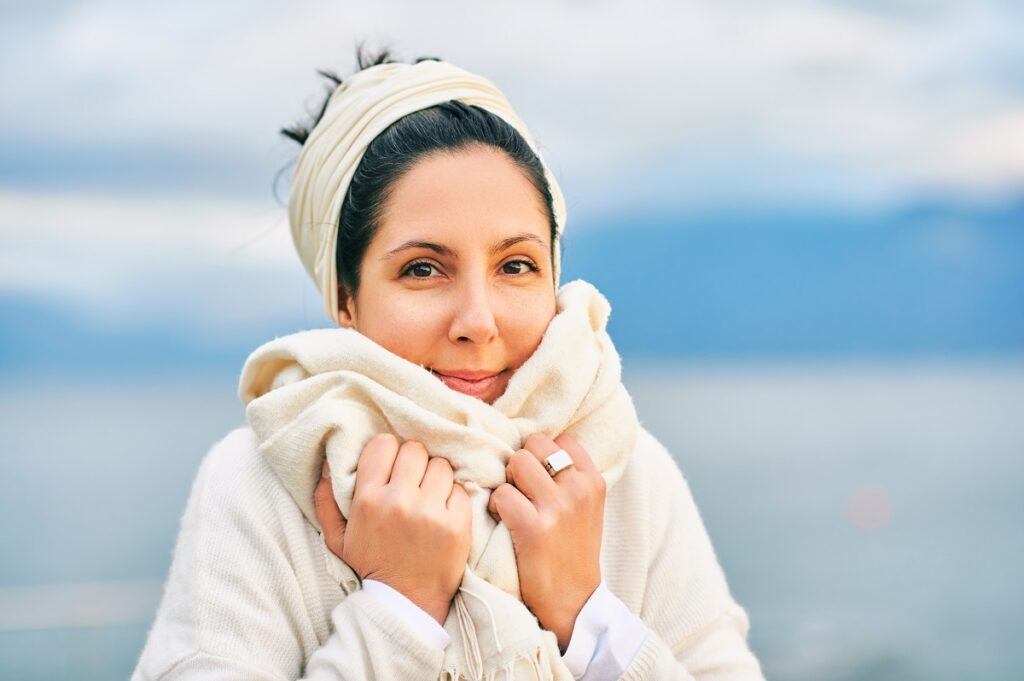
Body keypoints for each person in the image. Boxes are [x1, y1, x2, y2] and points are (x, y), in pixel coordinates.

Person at [132, 47, 766, 681]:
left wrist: (585, 614)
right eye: (423, 270)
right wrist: (399, 609)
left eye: (515, 265)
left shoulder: (621, 471)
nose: (478, 322)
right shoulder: (262, 483)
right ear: (346, 300)